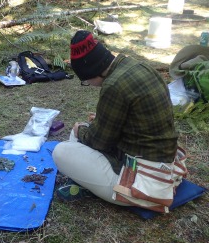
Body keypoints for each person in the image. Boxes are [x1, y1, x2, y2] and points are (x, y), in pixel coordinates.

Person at [52, 30, 179, 205]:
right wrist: (102, 118)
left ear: (93, 71)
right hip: (163, 165)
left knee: (62, 151)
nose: (89, 85)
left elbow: (98, 142)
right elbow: (140, 119)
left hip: (144, 183)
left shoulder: (113, 85)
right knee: (81, 134)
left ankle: (92, 184)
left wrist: (79, 130)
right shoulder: (137, 66)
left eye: (86, 81)